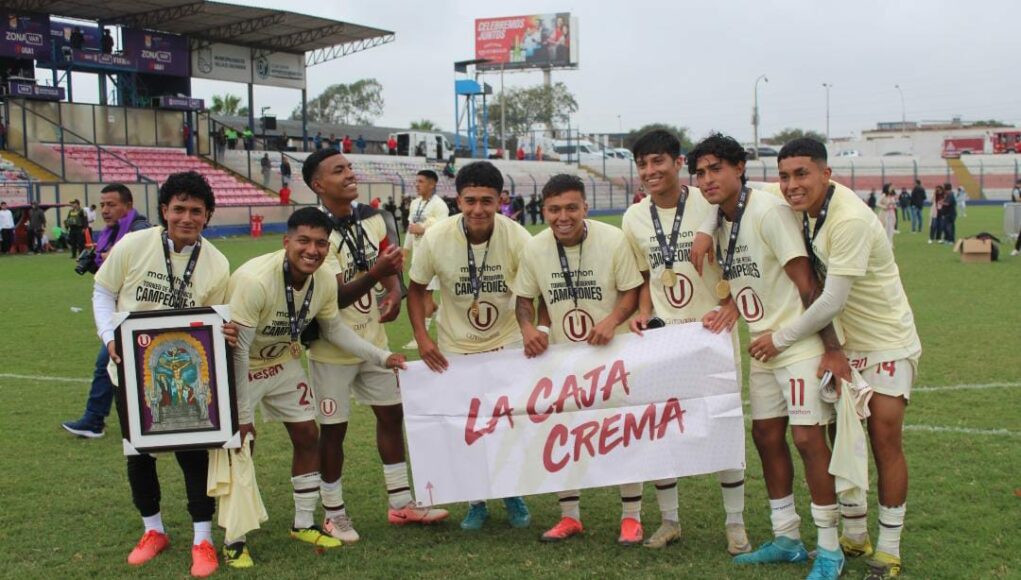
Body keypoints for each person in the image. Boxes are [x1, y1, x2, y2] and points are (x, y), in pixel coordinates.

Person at [757, 138, 921, 580]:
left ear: (826, 174)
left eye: (802, 174)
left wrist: (780, 339)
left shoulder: (848, 219)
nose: (791, 185)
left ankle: (888, 551)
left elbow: (830, 300)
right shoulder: (797, 200)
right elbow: (741, 189)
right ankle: (854, 534)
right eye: (784, 176)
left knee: (883, 440)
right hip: (842, 343)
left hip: (885, 342)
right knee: (840, 437)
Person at [687, 134, 847, 580]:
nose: (706, 179)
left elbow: (808, 286)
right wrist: (731, 306)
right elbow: (754, 277)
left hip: (797, 343)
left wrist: (833, 349)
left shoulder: (769, 211)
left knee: (808, 441)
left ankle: (830, 548)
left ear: (740, 168)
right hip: (763, 345)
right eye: (699, 173)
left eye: (715, 169)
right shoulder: (720, 217)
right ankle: (787, 538)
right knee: (766, 437)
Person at [225, 207, 407, 567]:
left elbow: (334, 329)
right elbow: (239, 350)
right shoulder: (254, 280)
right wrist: (243, 415)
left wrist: (381, 357)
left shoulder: (322, 278)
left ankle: (304, 523)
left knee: (308, 435)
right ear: (286, 241)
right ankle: (235, 538)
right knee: (242, 445)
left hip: (282, 359)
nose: (312, 250)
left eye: (321, 243)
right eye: (304, 241)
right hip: (244, 364)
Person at [301, 149, 448, 544]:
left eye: (349, 167)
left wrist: (394, 291)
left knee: (391, 416)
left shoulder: (372, 217)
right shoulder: (314, 230)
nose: (350, 174)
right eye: (339, 170)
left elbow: (388, 264)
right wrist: (377, 274)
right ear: (318, 184)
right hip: (332, 349)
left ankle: (401, 502)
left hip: (374, 341)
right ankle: (334, 513)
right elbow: (335, 296)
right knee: (333, 431)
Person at [92, 172, 229, 577]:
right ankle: (153, 530)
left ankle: (202, 538)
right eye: (179, 209)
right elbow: (103, 291)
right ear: (164, 210)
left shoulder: (217, 264)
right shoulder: (134, 244)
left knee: (194, 454)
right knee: (139, 453)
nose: (187, 218)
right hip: (131, 372)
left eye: (196, 211)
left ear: (207, 216)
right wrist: (109, 336)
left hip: (186, 376)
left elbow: (216, 322)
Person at [621, 130, 751, 554]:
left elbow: (746, 260)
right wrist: (643, 311)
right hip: (665, 338)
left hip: (712, 333)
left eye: (658, 161)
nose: (650, 171)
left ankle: (735, 523)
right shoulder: (633, 217)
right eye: (642, 164)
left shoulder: (710, 202)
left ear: (678, 163)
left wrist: (732, 305)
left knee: (724, 425)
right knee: (661, 430)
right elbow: (644, 276)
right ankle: (670, 520)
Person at [512, 174, 646, 545]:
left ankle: (631, 518)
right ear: (544, 211)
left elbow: (631, 290)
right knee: (563, 435)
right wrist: (528, 328)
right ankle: (569, 516)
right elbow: (524, 299)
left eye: (571, 208)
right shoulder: (535, 248)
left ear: (585, 207)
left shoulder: (613, 239)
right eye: (554, 209)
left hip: (613, 355)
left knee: (623, 434)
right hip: (562, 358)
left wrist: (612, 320)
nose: (563, 217)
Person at [406, 160, 532, 531]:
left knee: (507, 423)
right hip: (456, 346)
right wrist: (423, 338)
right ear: (458, 200)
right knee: (466, 426)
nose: (478, 209)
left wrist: (530, 329)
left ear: (500, 200)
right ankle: (476, 501)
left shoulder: (517, 237)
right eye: (470, 200)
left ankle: (512, 493)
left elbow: (531, 291)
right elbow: (415, 290)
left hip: (505, 342)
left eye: (487, 201)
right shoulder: (436, 237)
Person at [401, 170, 450, 349]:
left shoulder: (440, 205)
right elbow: (410, 230)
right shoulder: (415, 204)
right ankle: (435, 310)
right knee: (422, 294)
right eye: (417, 181)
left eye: (421, 181)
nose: (417, 184)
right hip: (417, 255)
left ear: (432, 184)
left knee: (424, 295)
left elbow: (443, 230)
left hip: (433, 256)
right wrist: (405, 252)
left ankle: (421, 337)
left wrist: (423, 229)